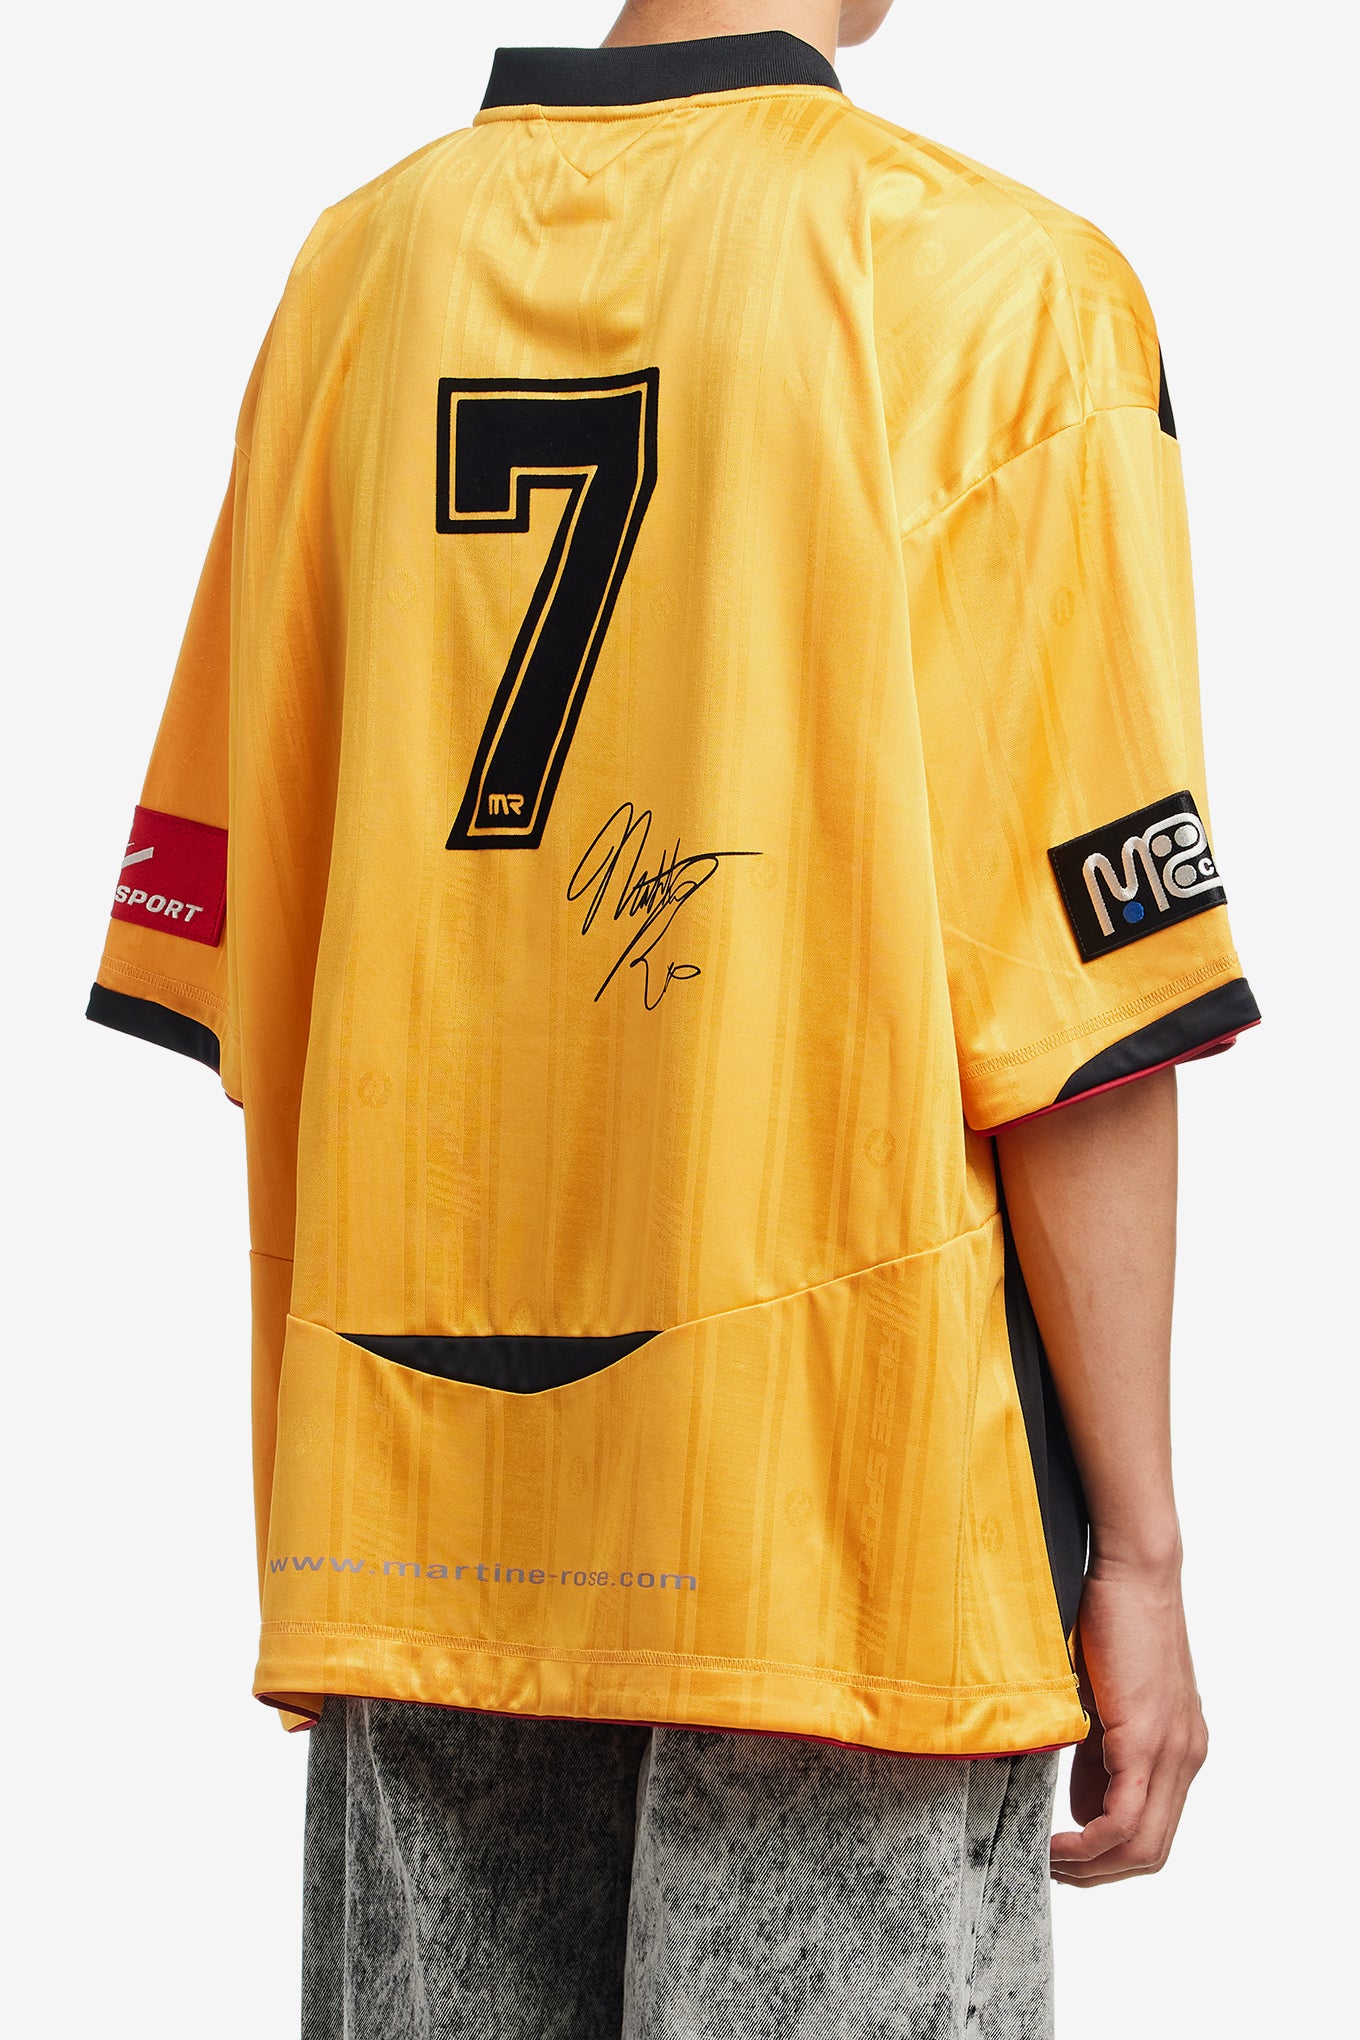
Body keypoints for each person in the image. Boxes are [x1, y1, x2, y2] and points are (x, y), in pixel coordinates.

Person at [85, 0, 1258, 2032]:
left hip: (414, 1496)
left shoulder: (351, 275)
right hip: (842, 1526)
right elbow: (1080, 1014)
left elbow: (238, 927)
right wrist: (1140, 1560)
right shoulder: (999, 288)